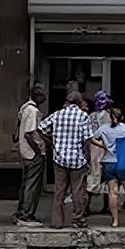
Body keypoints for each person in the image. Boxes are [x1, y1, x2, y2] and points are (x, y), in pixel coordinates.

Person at [38, 92, 95, 229]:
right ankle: (78, 219)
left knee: (59, 191)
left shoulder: (57, 114)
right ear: (79, 102)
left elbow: (41, 128)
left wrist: (51, 142)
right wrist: (88, 156)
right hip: (78, 159)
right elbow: (88, 139)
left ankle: (57, 222)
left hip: (59, 158)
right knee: (78, 191)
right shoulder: (83, 116)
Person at [14, 84, 47, 227]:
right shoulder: (32, 111)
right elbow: (29, 134)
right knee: (32, 185)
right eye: (43, 94)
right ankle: (26, 215)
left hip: (25, 151)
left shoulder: (24, 109)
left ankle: (21, 212)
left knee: (26, 183)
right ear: (38, 96)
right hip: (32, 153)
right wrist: (38, 152)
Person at [86, 91, 112, 216]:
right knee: (98, 175)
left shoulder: (94, 116)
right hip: (100, 147)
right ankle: (94, 205)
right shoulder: (103, 116)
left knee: (99, 175)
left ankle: (102, 205)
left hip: (98, 147)